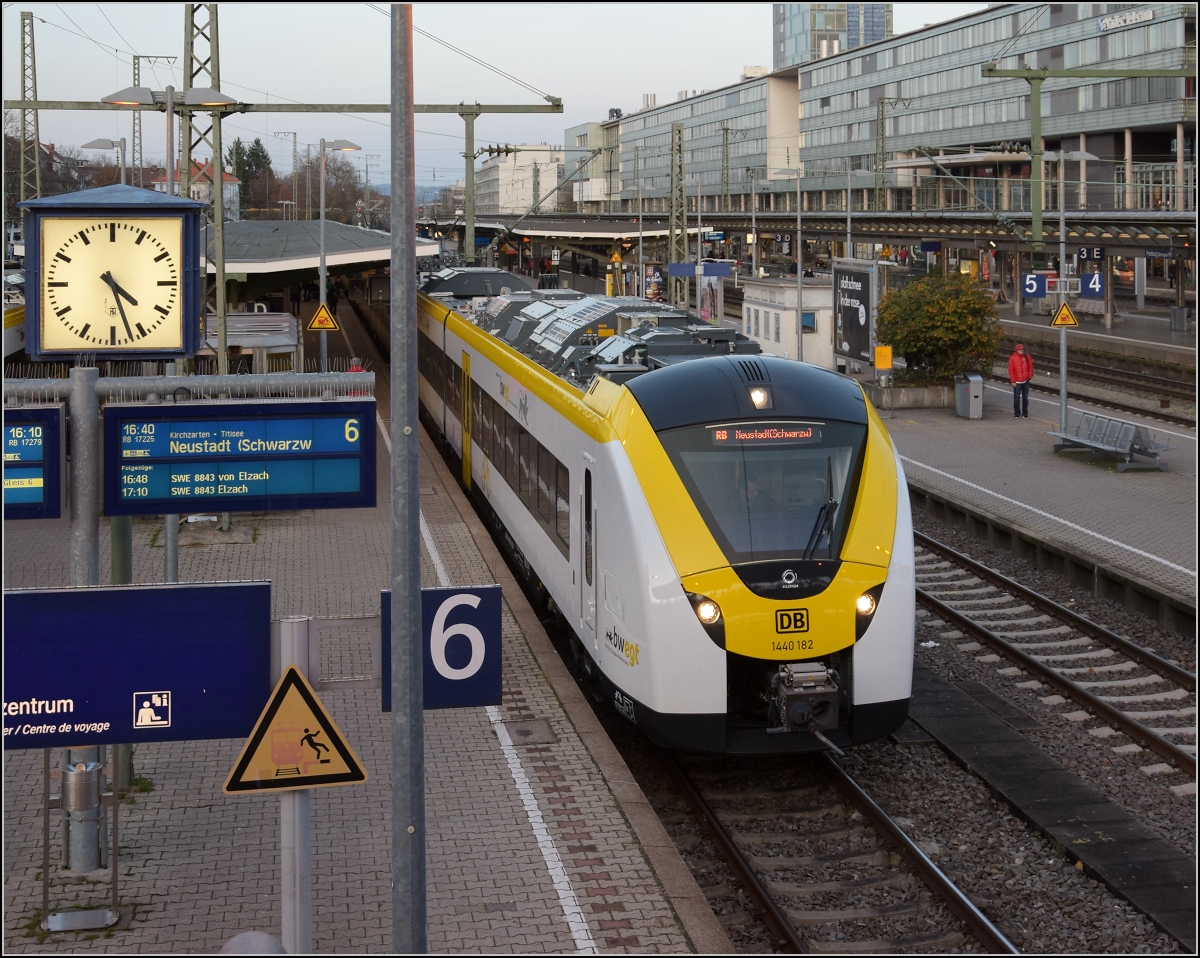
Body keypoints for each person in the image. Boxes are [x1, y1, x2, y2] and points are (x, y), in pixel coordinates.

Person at [1008, 342, 1033, 418]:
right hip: (1017, 382)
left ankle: (1025, 414)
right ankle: (1017, 413)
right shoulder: (1012, 358)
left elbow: (1030, 366)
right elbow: (1011, 370)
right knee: (1016, 399)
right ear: (1017, 350)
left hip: (1025, 381)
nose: (1021, 350)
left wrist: (1029, 376)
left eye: (1022, 349)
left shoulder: (1027, 357)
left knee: (1025, 399)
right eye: (1020, 349)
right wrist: (1013, 381)